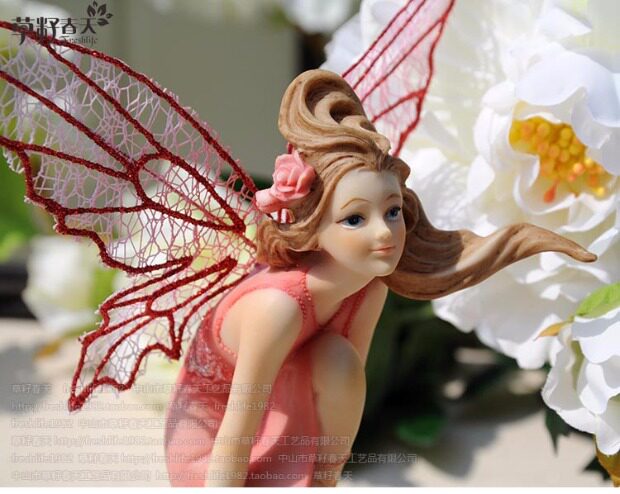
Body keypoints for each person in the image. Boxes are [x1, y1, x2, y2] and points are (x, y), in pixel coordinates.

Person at [163, 69, 596, 487]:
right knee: (332, 362)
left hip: (286, 406)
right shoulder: (277, 308)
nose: (385, 233)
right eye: (355, 219)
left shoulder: (368, 285)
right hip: (214, 444)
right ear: (314, 228)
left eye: (392, 211)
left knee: (340, 361)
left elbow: (347, 388)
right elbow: (238, 426)